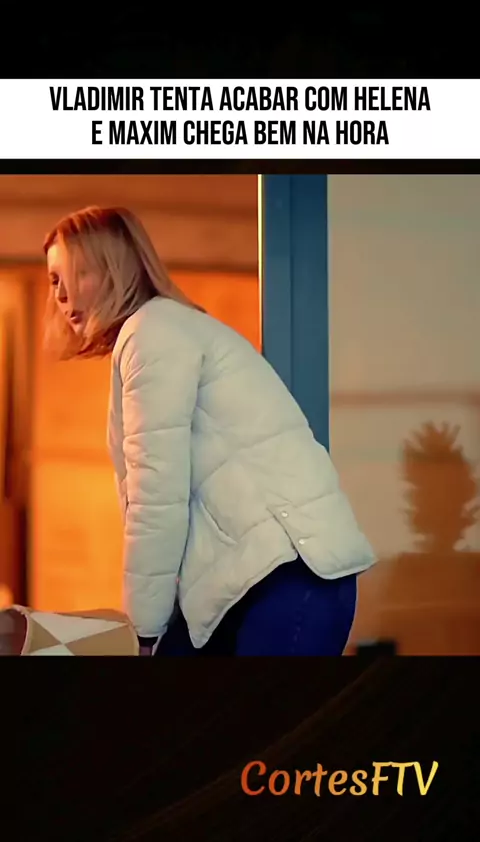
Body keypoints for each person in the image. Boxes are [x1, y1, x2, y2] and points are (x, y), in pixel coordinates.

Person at [43, 205, 376, 657]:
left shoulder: (153, 333)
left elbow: (156, 495)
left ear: (116, 269)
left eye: (77, 273)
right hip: (263, 579)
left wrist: (144, 632)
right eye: (54, 280)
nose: (62, 295)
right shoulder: (162, 331)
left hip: (284, 576)